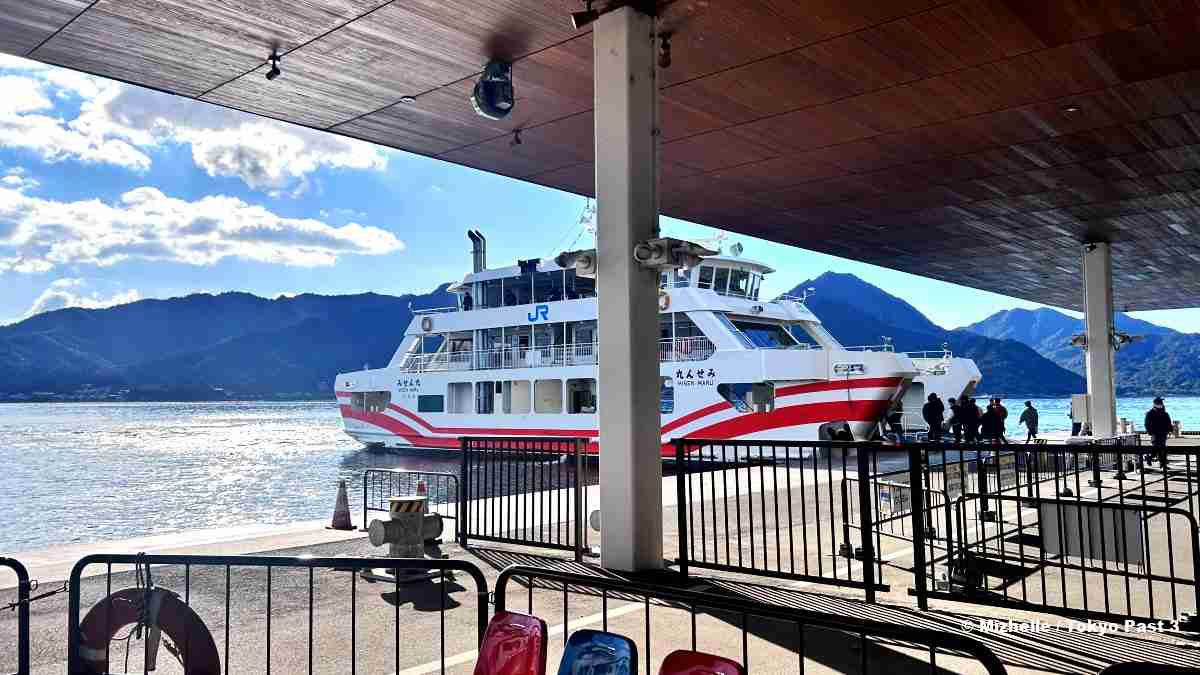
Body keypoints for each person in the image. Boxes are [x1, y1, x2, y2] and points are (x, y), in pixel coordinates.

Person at [1145, 397, 1172, 468]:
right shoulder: (1150, 413)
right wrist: (1151, 433)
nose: (1161, 404)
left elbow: (1168, 422)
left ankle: (1161, 462)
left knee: (1161, 448)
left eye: (1161, 403)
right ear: (1155, 404)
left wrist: (1170, 430)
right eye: (1159, 403)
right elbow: (1147, 424)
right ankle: (1159, 461)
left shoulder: (1164, 412)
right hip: (1155, 434)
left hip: (1163, 433)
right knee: (1158, 448)